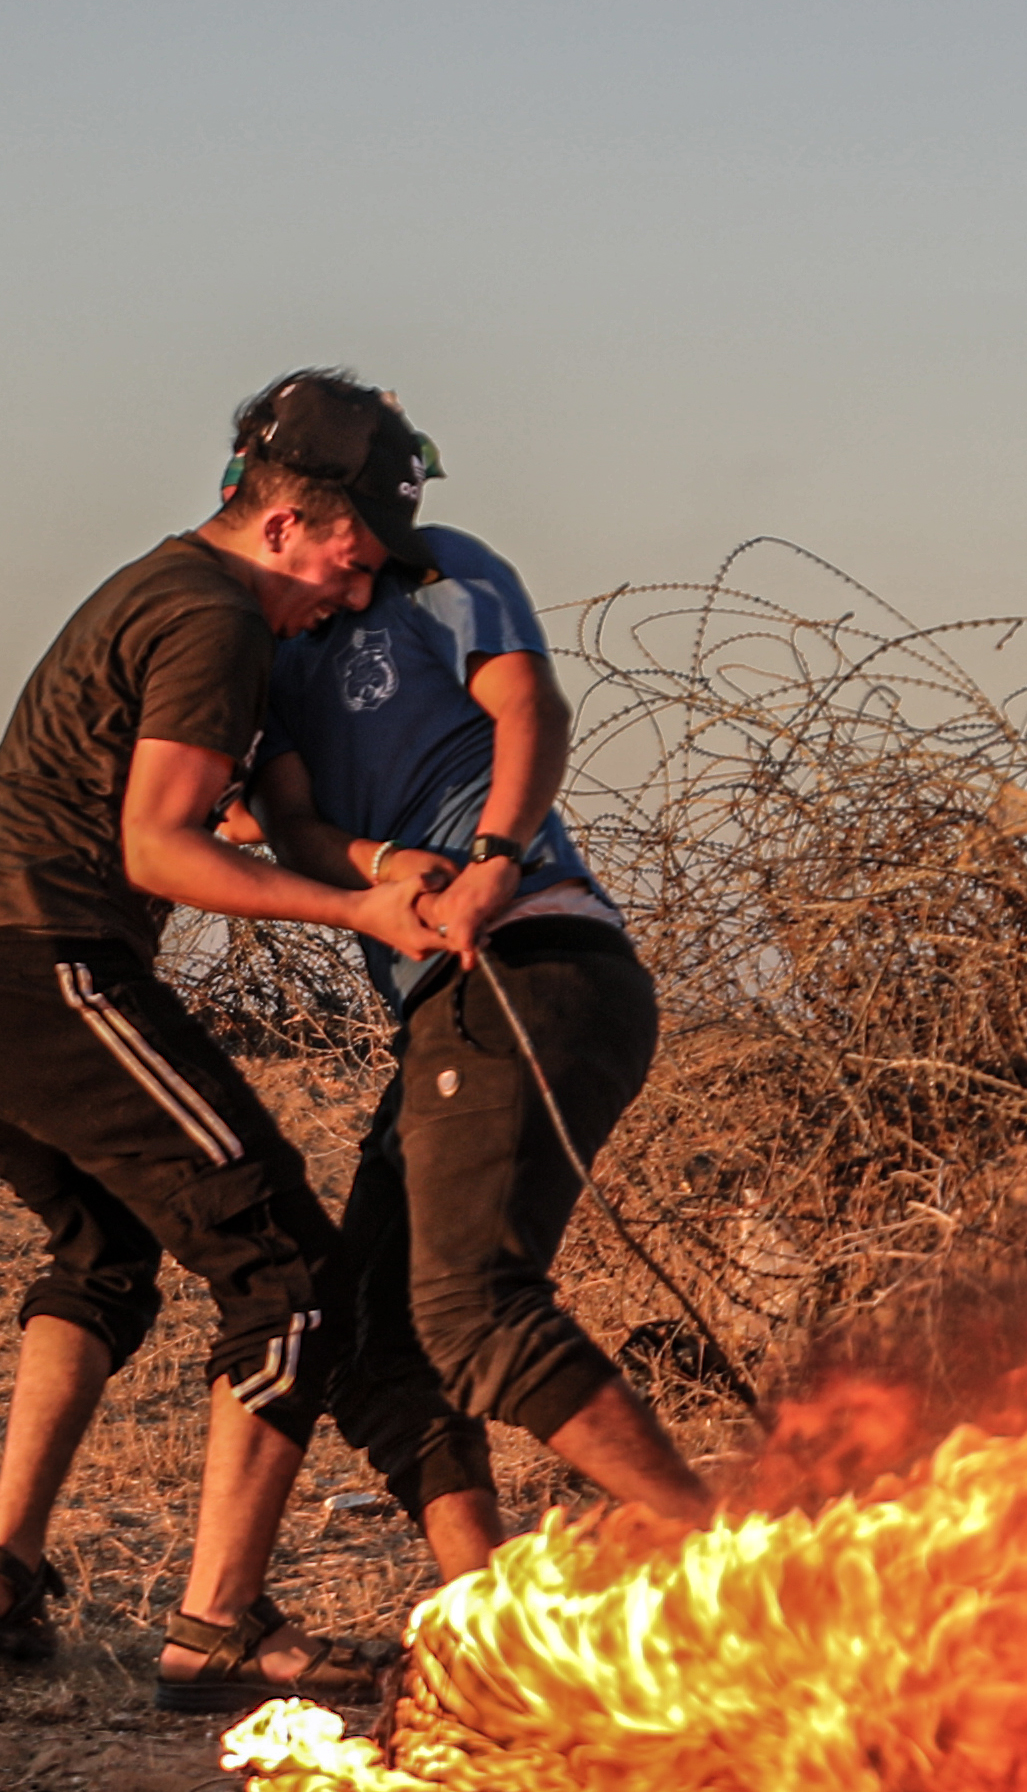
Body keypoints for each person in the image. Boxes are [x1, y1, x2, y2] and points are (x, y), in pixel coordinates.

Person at [0, 373, 454, 1714]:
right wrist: (357, 907)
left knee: (103, 1251)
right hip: (46, 968)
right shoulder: (212, 622)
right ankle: (220, 1626)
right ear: (282, 524)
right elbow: (159, 843)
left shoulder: (163, 589)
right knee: (291, 1273)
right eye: (349, 558)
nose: (356, 593)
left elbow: (205, 801)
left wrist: (371, 851)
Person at [251, 472, 719, 1579]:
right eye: (346, 542)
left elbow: (531, 710)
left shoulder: (439, 572)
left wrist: (495, 860)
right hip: (442, 1003)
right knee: (371, 1342)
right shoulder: (268, 655)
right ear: (284, 526)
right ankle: (495, 1621)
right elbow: (291, 828)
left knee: (472, 1305)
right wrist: (373, 867)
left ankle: (737, 1568)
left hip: (533, 959)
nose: (362, 561)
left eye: (378, 535)